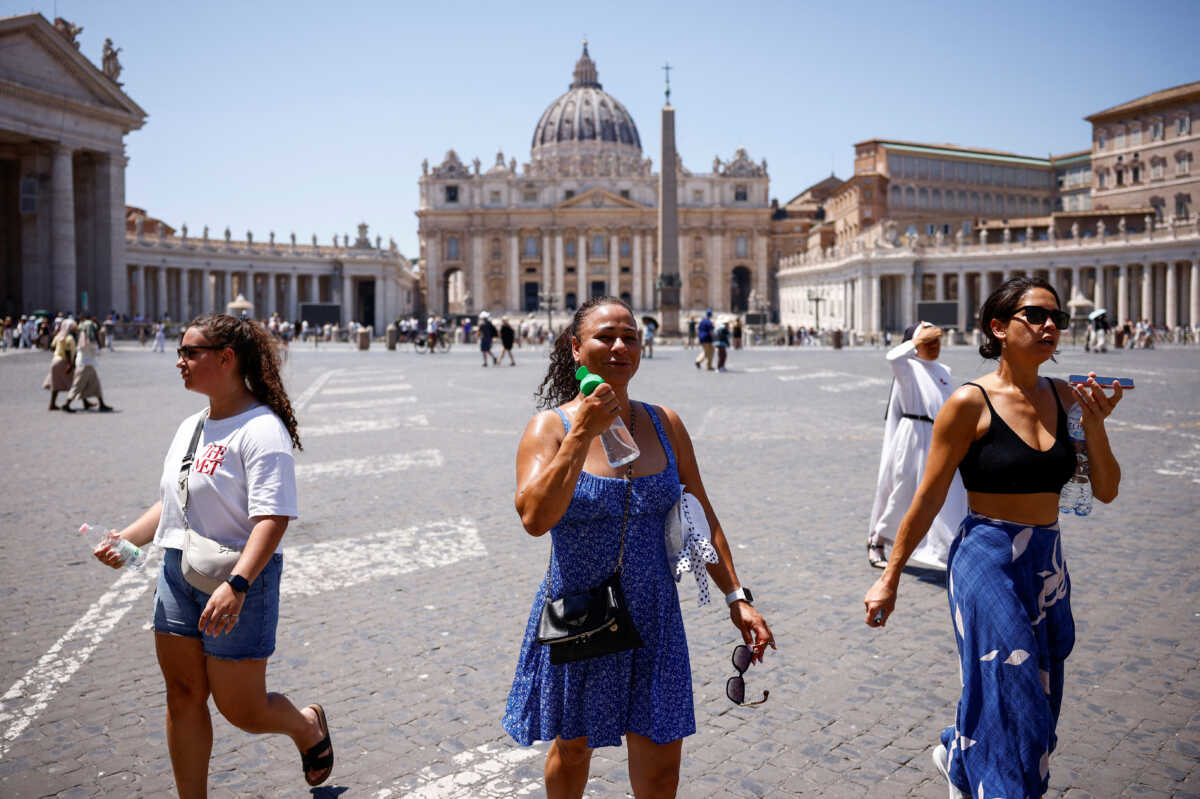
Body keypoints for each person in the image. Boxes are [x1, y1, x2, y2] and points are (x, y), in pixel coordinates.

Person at [504, 296, 774, 799]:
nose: (619, 346)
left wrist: (737, 596)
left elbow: (702, 514)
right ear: (576, 347)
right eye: (605, 336)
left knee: (661, 765)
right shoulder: (549, 428)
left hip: (654, 610)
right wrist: (582, 433)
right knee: (575, 747)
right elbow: (535, 518)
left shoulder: (664, 423)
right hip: (580, 607)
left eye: (630, 336)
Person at [863, 277, 1123, 799]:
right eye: (1036, 315)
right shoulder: (968, 402)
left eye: (1057, 318)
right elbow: (927, 497)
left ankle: (959, 752)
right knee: (1014, 687)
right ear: (999, 328)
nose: (1051, 325)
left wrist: (1095, 424)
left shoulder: (1068, 396)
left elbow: (1106, 490)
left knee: (1044, 694)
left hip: (1047, 562)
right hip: (986, 559)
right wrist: (889, 578)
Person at [93, 314, 333, 794]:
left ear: (226, 359)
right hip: (179, 575)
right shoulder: (192, 425)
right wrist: (127, 541)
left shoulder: (262, 430)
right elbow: (175, 501)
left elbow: (274, 518)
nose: (178, 361)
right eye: (180, 351)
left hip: (240, 580)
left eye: (190, 352)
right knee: (182, 696)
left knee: (242, 710)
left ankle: (307, 726)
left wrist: (238, 585)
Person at [866, 322, 965, 569]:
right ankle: (877, 540)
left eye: (937, 341)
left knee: (942, 494)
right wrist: (916, 340)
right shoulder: (907, 367)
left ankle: (942, 548)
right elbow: (892, 355)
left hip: (939, 437)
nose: (934, 347)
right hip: (913, 437)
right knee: (903, 491)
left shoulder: (943, 370)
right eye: (928, 342)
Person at [64, 316, 114, 412]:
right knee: (77, 386)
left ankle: (101, 404)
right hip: (85, 365)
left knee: (96, 385)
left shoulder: (82, 338)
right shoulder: (89, 341)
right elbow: (97, 352)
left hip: (88, 365)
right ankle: (67, 404)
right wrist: (99, 343)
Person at [43, 319, 76, 411]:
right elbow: (68, 351)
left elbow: (52, 347)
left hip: (55, 361)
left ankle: (52, 404)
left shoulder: (58, 336)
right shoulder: (69, 338)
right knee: (74, 383)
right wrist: (70, 364)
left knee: (55, 384)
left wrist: (58, 351)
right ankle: (68, 405)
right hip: (63, 361)